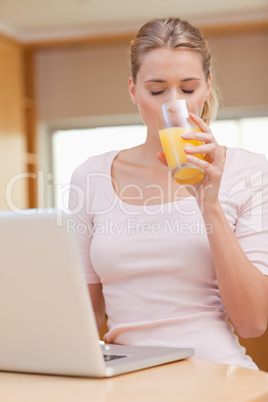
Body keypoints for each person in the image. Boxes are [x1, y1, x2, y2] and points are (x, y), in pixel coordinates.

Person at [68, 17, 268, 370]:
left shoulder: (248, 172)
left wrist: (210, 204)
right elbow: (83, 316)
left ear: (207, 87)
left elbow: (253, 322)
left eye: (188, 90)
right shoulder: (91, 177)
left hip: (218, 374)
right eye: (157, 91)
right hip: (126, 377)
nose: (173, 104)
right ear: (133, 90)